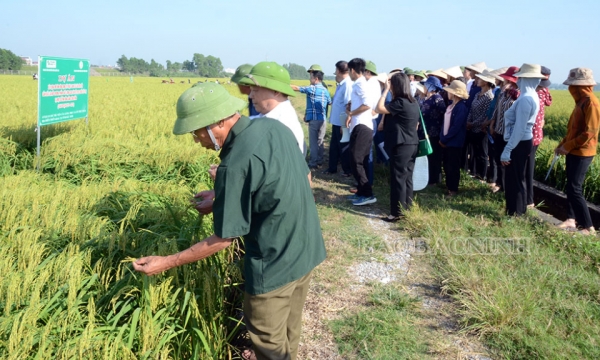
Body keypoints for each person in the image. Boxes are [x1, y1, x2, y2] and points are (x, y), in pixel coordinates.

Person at [133, 83, 326, 360]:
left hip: (274, 265)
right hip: (305, 249)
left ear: (218, 123)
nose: (197, 140)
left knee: (270, 343)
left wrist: (167, 262)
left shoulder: (234, 163)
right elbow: (287, 180)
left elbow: (223, 240)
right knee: (288, 333)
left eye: (197, 131)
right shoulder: (275, 128)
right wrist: (222, 196)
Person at [555, 67, 599, 235]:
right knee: (570, 185)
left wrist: (568, 146)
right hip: (573, 150)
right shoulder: (581, 101)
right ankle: (571, 220)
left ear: (584, 86)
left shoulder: (592, 103)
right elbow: (573, 129)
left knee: (575, 188)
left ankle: (588, 227)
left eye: (575, 86)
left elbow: (590, 132)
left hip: (583, 152)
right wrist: (562, 144)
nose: (571, 89)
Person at [374, 72, 420, 221]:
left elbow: (379, 108)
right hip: (412, 143)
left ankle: (396, 213)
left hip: (401, 145)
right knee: (407, 178)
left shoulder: (400, 102)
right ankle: (408, 209)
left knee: (398, 178)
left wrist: (385, 91)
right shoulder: (413, 102)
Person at [500, 63, 545, 216]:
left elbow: (519, 128)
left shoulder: (526, 99)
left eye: (520, 78)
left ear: (527, 79)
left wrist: (507, 149)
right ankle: (518, 210)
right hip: (521, 141)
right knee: (517, 177)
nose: (517, 81)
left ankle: (515, 212)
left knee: (515, 179)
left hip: (519, 142)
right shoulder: (530, 96)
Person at [238, 62, 305, 154]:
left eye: (255, 90)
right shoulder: (267, 115)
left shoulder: (281, 125)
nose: (250, 96)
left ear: (276, 91)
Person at [345, 58, 377, 206]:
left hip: (362, 126)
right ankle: (361, 191)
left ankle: (367, 193)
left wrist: (352, 114)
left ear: (352, 70)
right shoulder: (360, 83)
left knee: (355, 159)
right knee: (360, 160)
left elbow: (367, 105)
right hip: (361, 126)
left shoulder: (360, 83)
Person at [291, 64, 332, 169]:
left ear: (316, 79)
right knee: (321, 140)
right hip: (323, 119)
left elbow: (297, 88)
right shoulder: (326, 90)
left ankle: (313, 162)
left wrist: (284, 85)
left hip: (314, 119)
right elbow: (330, 102)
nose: (310, 79)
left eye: (311, 77)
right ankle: (320, 160)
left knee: (313, 142)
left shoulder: (312, 88)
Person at [490, 66, 520, 193]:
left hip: (509, 134)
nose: (505, 82)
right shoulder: (503, 93)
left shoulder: (518, 95)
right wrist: (492, 124)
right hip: (498, 130)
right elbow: (497, 109)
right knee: (498, 158)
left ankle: (506, 187)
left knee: (506, 161)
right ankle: (501, 185)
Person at [526, 66, 553, 207]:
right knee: (527, 168)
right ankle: (527, 198)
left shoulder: (534, 94)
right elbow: (549, 102)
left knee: (527, 169)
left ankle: (529, 200)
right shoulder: (543, 92)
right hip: (534, 135)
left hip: (530, 136)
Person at [439, 80, 470, 196]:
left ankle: (453, 189)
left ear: (455, 93)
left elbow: (456, 126)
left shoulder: (461, 107)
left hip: (454, 142)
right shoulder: (451, 105)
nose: (448, 93)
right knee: (447, 165)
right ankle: (448, 186)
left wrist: (445, 139)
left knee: (453, 166)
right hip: (446, 141)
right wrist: (442, 137)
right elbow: (445, 123)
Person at [323, 61, 353, 176]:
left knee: (344, 147)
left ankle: (347, 170)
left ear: (339, 71)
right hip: (336, 121)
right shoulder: (341, 84)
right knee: (334, 146)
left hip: (342, 122)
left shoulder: (347, 85)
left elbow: (348, 105)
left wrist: (344, 123)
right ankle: (332, 168)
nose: (335, 73)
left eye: (336, 70)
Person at [466, 69, 495, 180]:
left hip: (481, 129)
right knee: (475, 152)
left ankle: (481, 176)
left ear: (487, 82)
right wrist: (469, 122)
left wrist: (472, 124)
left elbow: (485, 115)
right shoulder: (478, 94)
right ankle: (474, 173)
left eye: (481, 79)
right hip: (473, 128)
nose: (477, 80)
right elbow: (472, 110)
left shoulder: (489, 97)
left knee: (482, 153)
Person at [421, 76, 447, 185]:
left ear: (431, 86)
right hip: (426, 132)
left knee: (434, 157)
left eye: (426, 85)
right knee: (428, 156)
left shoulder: (437, 98)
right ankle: (429, 178)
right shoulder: (427, 98)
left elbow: (443, 115)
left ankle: (435, 179)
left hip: (434, 132)